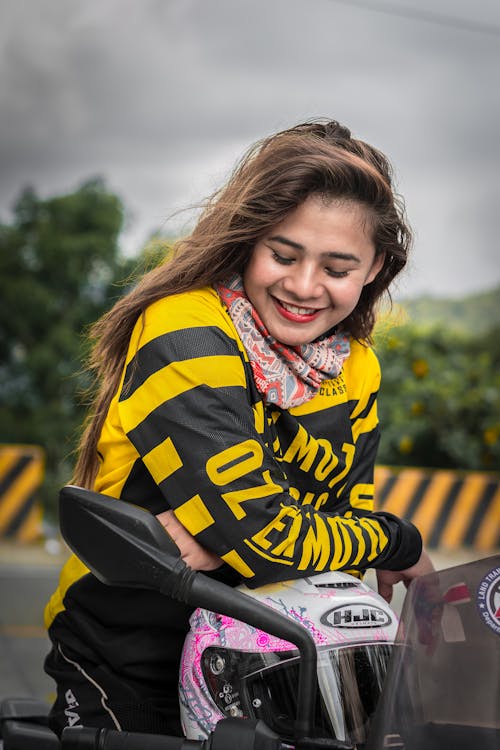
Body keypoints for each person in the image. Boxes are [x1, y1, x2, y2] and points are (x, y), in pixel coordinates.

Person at [44, 119, 434, 738]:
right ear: (247, 240)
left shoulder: (358, 367)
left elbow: (330, 539)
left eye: (338, 266)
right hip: (130, 665)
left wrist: (233, 530)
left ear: (375, 266)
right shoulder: (184, 329)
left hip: (280, 668)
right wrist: (395, 541)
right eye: (282, 254)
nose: (304, 287)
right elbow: (264, 538)